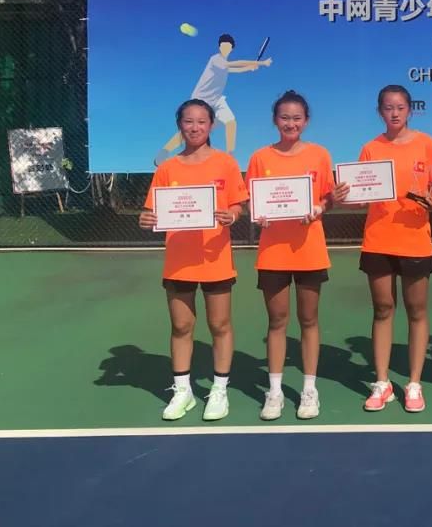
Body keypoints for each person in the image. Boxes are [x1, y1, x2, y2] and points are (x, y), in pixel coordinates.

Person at [139, 99, 248, 422]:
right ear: (180, 126)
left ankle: (219, 390)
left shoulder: (226, 163)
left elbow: (238, 205)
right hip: (179, 261)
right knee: (181, 325)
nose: (195, 127)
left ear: (211, 125)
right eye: (189, 121)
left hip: (216, 258)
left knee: (219, 325)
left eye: (202, 121)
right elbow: (151, 211)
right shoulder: (167, 168)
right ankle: (183, 391)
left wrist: (232, 215)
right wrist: (146, 219)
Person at [245, 90, 348, 421]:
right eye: (284, 117)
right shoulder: (260, 157)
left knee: (309, 320)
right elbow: (252, 201)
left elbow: (328, 198)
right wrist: (258, 215)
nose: (291, 123)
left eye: (297, 118)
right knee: (277, 321)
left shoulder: (319, 155)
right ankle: (274, 392)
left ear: (306, 120)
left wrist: (320, 207)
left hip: (309, 251)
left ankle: (309, 390)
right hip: (273, 253)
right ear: (275, 120)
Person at [356, 85, 432, 413]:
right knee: (383, 309)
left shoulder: (427, 144)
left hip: (415, 240)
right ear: (380, 111)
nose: (394, 113)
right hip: (378, 239)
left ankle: (414, 383)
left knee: (416, 310)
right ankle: (382, 383)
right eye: (388, 108)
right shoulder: (370, 148)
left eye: (400, 107)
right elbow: (362, 190)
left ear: (410, 110)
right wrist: (355, 194)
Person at [156, 33, 272, 163]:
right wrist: (261, 62)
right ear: (219, 47)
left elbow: (236, 69)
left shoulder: (224, 65)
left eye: (227, 47)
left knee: (231, 122)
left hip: (216, 100)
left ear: (231, 49)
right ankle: (165, 151)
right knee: (193, 129)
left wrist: (250, 68)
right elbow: (235, 64)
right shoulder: (216, 59)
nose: (225, 49)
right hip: (201, 100)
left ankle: (230, 157)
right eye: (223, 46)